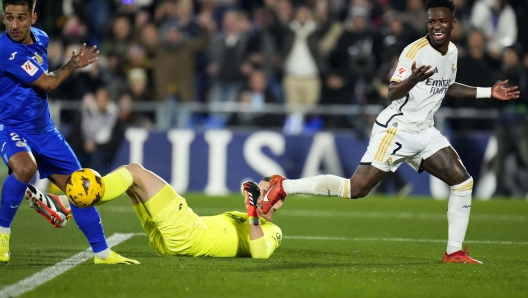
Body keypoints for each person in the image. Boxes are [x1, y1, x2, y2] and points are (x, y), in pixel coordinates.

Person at [261, 0, 520, 265]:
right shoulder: (414, 51)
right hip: (397, 130)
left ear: (454, 23)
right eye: (432, 21)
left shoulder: (452, 52)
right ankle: (284, 186)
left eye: (442, 21)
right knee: (356, 188)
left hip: (425, 131)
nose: (437, 26)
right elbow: (392, 91)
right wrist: (414, 79)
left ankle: (454, 252)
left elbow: (447, 86)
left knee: (463, 182)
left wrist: (489, 91)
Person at [0, 0, 137, 264]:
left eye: (21, 18)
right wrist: (73, 64)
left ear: (33, 18)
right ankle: (2, 234)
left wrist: (64, 67)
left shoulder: (41, 38)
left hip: (44, 130)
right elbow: (49, 83)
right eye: (8, 18)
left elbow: (42, 75)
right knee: (25, 168)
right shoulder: (6, 49)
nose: (14, 25)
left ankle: (102, 253)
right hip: (11, 127)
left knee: (81, 187)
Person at [27, 165, 284, 258]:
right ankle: (66, 206)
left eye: (263, 194)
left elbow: (260, 254)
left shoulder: (273, 231)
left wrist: (252, 211)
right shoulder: (240, 216)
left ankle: (65, 205)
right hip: (168, 240)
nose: (257, 198)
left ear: (278, 202)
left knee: (135, 171)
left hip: (189, 236)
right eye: (256, 192)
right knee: (129, 182)